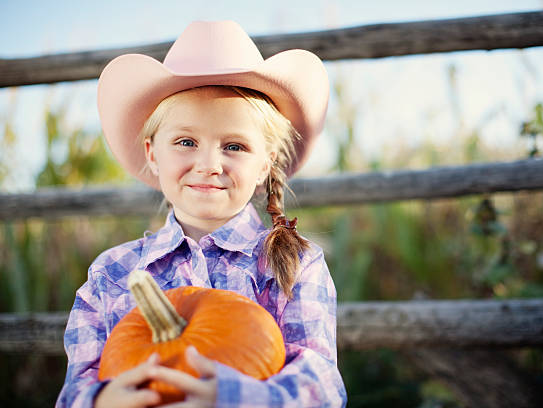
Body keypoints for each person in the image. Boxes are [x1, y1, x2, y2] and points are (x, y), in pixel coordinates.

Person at [56, 20, 347, 407]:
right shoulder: (112, 275)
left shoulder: (293, 264)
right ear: (152, 153)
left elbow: (322, 388)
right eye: (186, 141)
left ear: (265, 164)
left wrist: (231, 397)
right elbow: (75, 389)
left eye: (235, 146)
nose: (209, 164)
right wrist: (103, 401)